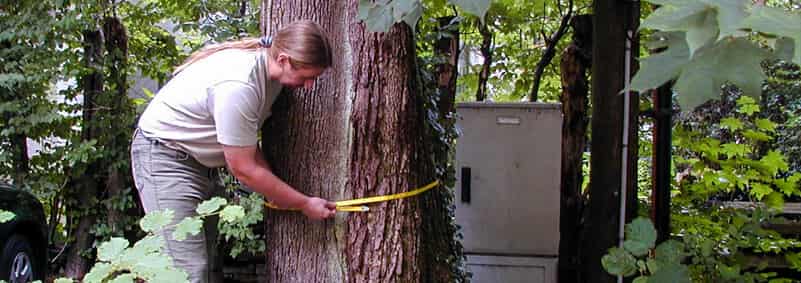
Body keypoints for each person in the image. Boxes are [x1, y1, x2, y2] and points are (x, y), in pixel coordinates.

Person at [130, 20, 336, 283]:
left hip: (198, 163)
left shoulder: (268, 76)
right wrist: (303, 203)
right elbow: (242, 168)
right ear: (283, 59)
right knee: (185, 271)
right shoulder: (239, 86)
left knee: (206, 263)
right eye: (306, 77)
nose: (309, 86)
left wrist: (275, 187)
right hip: (164, 159)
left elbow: (247, 147)